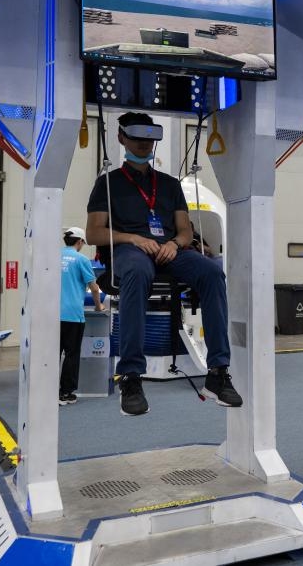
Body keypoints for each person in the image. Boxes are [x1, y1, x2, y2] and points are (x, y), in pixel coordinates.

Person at [86, 112, 243, 416]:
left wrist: (174, 243)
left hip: (170, 252)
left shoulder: (170, 186)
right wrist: (132, 238)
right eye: (136, 138)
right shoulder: (108, 184)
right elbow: (94, 233)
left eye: (148, 139)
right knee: (135, 270)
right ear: (121, 138)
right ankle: (131, 376)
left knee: (211, 272)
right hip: (129, 252)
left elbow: (185, 230)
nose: (143, 144)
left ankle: (218, 372)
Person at [59, 226, 104, 405]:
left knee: (51, 355)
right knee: (71, 354)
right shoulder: (81, 259)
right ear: (80, 242)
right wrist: (99, 306)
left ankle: (45, 392)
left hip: (51, 314)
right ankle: (65, 393)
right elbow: (94, 287)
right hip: (73, 315)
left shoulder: (52, 257)